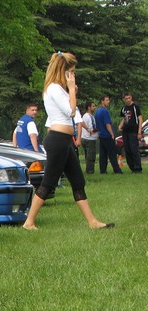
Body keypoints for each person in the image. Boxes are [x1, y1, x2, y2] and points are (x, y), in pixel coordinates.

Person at [23, 52, 112, 231]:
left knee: (78, 181)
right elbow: (70, 111)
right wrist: (71, 90)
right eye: (71, 72)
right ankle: (29, 222)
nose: (73, 76)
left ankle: (93, 222)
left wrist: (71, 91)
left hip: (64, 140)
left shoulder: (59, 89)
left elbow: (70, 109)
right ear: (62, 70)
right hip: (57, 140)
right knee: (48, 182)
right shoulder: (54, 88)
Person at [94, 95, 123, 174]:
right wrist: (112, 134)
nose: (108, 102)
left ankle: (103, 170)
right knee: (112, 153)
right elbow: (107, 124)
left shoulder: (97, 111)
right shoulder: (104, 111)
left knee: (103, 153)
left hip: (101, 134)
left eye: (108, 100)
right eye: (106, 100)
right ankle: (117, 170)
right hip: (107, 135)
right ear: (102, 101)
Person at [118, 92, 143, 173]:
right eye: (126, 99)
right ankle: (132, 167)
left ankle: (137, 168)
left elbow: (140, 119)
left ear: (131, 98)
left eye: (129, 98)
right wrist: (120, 125)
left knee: (134, 149)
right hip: (126, 131)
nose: (128, 100)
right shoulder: (123, 108)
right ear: (123, 99)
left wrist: (139, 132)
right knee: (127, 150)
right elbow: (124, 118)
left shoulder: (135, 107)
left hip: (133, 131)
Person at [81, 100, 98, 174]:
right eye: (93, 106)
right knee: (91, 156)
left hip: (85, 137)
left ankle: (88, 169)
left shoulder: (85, 116)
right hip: (90, 138)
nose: (94, 108)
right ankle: (90, 170)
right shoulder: (89, 117)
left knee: (87, 155)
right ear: (89, 107)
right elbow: (92, 128)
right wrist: (98, 130)